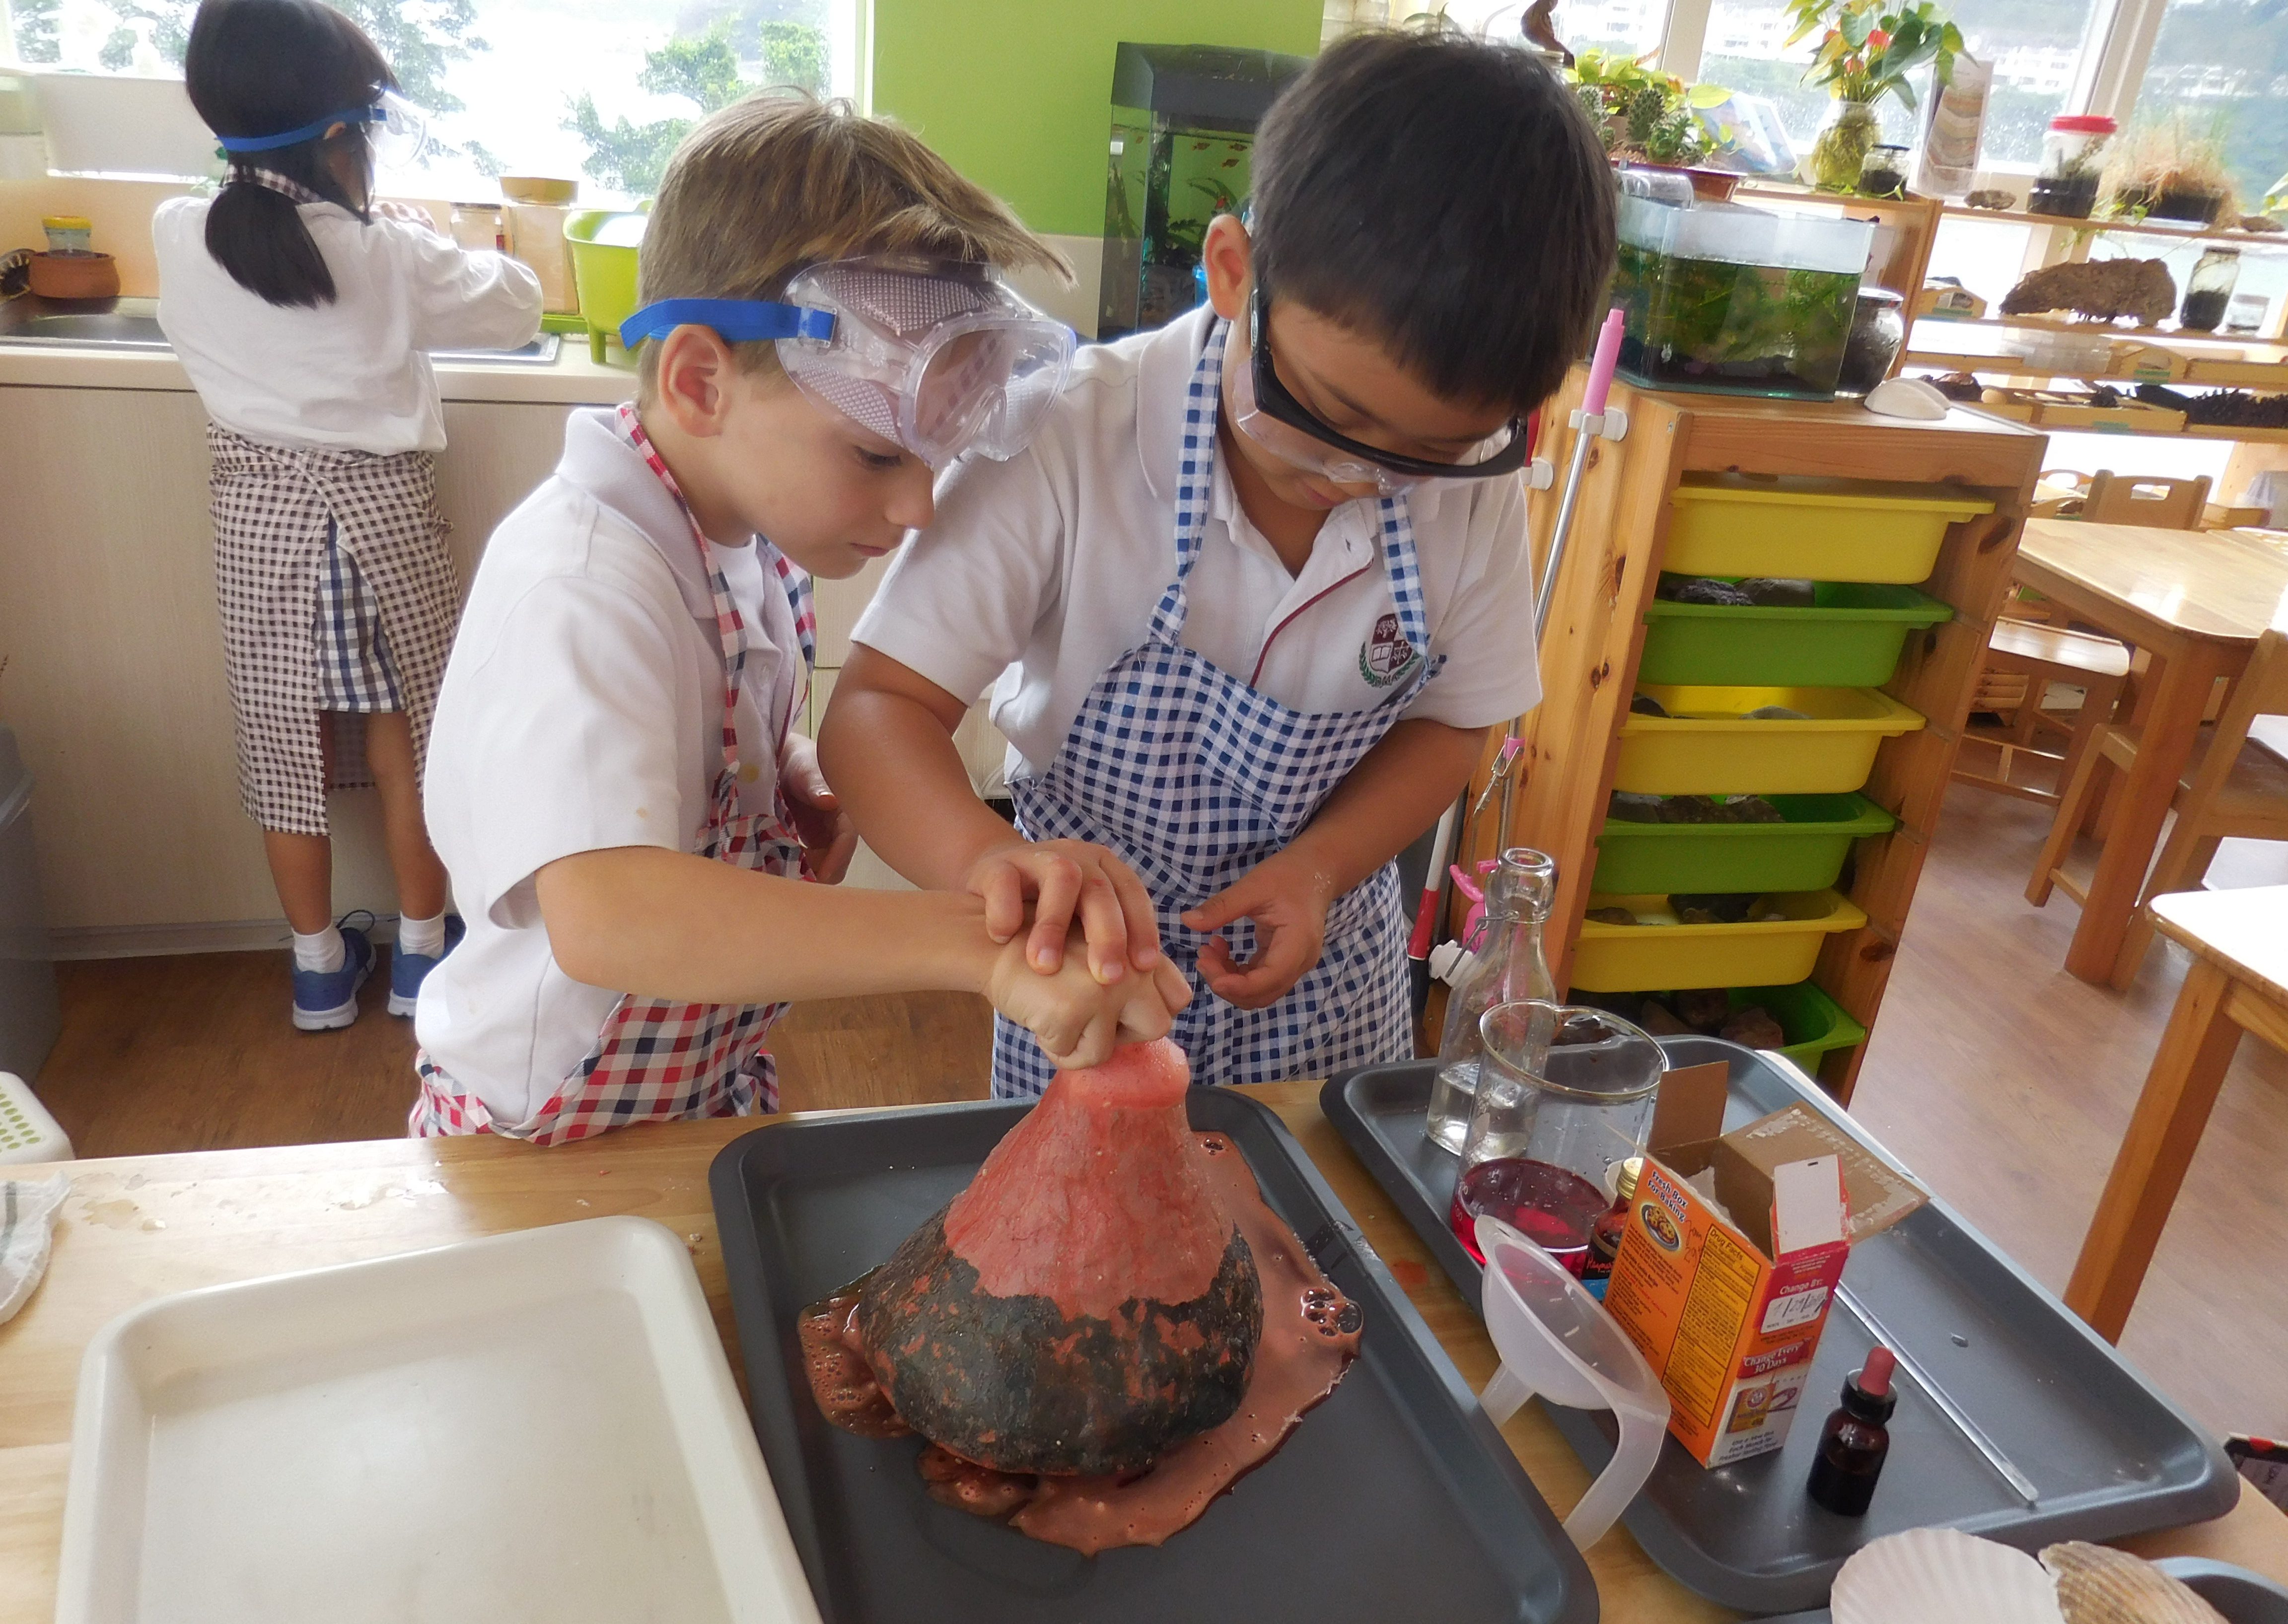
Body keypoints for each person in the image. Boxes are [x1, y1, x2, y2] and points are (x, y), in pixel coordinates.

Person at [819, 28, 1616, 1097]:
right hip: (1091, 976)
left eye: (1421, 457)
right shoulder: (1066, 441)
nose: (1352, 477)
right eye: (1326, 417)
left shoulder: (1473, 493)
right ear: (1236, 272)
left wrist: (1321, 868)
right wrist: (990, 865)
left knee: (1315, 1239)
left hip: (1331, 982)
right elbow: (877, 711)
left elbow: (1454, 723)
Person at [409, 95, 1189, 1144]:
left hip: (698, 1088)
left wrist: (788, 768)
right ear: (699, 381)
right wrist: (969, 942)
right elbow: (609, 912)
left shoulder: (737, 540)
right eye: (876, 457)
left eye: (932, 464)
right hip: (536, 1134)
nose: (917, 509)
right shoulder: (582, 582)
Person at [156, 0, 542, 1030]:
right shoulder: (384, 257)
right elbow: (520, 305)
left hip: (261, 529)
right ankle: (422, 956)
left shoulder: (176, 234)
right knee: (411, 740)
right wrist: (418, 233)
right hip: (380, 525)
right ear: (339, 137)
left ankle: (318, 969)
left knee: (284, 751)